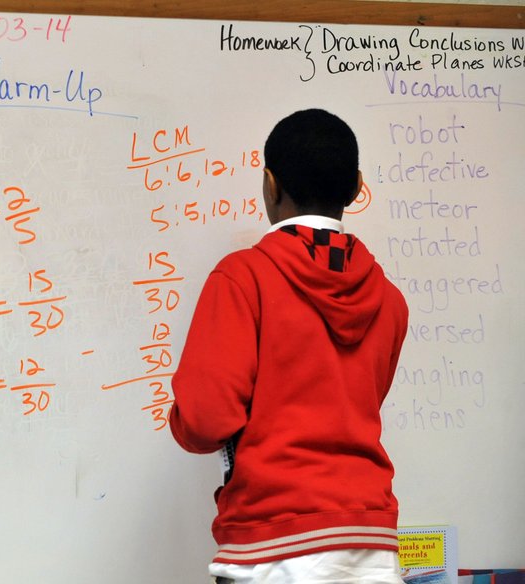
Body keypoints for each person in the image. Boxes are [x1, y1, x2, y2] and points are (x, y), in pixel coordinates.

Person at [168, 109, 409, 584]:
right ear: (355, 187)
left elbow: (204, 420)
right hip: (371, 546)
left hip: (272, 547)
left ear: (270, 184)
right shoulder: (388, 300)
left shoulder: (243, 278)